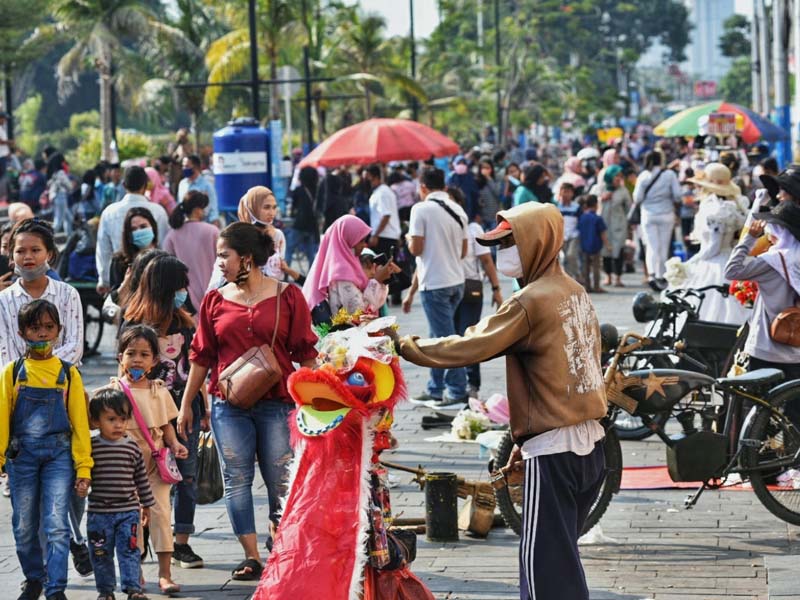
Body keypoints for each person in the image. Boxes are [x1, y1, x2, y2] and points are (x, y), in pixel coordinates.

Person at [397, 201, 607, 600]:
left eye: (509, 242)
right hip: (589, 448)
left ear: (537, 242)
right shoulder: (575, 291)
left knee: (542, 568)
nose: (502, 251)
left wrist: (404, 346)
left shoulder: (531, 300)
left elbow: (471, 345)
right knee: (560, 560)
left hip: (556, 452)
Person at [177, 223, 317, 581]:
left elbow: (305, 352)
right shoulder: (214, 300)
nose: (219, 261)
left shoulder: (289, 296)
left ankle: (280, 544)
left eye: (225, 255)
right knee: (236, 478)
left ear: (248, 259)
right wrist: (186, 406)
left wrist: (316, 401)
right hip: (228, 404)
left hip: (278, 402)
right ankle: (251, 556)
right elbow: (201, 356)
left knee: (280, 478)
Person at [0, 299, 92, 600]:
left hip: (58, 457)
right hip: (21, 458)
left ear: (58, 331)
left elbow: (79, 423)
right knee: (25, 525)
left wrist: (83, 467)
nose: (42, 334)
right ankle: (34, 578)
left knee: (56, 524)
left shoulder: (69, 374)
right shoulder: (12, 373)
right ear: (22, 331)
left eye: (48, 328)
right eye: (35, 328)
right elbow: (2, 418)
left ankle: (56, 588)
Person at [123, 255, 205, 570]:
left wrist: (203, 406)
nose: (185, 291)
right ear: (164, 287)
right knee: (143, 476)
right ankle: (144, 531)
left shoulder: (186, 321)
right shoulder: (134, 323)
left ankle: (181, 540)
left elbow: (198, 368)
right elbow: (125, 364)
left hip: (184, 409)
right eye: (180, 285)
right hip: (144, 413)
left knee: (186, 475)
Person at [102, 325, 188, 595]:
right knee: (131, 520)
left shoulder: (159, 390)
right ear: (120, 358)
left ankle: (165, 574)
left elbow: (166, 426)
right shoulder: (113, 391)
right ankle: (134, 573)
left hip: (154, 465)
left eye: (144, 354)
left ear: (154, 361)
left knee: (162, 515)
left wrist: (175, 444)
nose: (137, 359)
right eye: (131, 353)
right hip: (123, 468)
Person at [405, 168, 468, 407]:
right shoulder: (458, 209)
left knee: (445, 340)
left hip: (434, 282)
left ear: (423, 187)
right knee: (439, 336)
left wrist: (408, 240)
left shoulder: (420, 209)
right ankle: (435, 387)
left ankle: (457, 390)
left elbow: (416, 249)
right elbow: (463, 251)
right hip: (456, 281)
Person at [86, 388, 155, 600]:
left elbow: (141, 479)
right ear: (96, 421)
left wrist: (146, 505)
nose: (118, 424)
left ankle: (133, 589)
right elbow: (82, 472)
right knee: (100, 554)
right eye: (111, 419)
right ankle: (106, 592)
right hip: (98, 514)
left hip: (128, 512)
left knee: (130, 552)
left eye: (123, 419)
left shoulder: (132, 447)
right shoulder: (90, 447)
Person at [724, 201, 800, 386]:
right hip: (796, 346)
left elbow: (731, 271)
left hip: (767, 346)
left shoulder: (773, 261)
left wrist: (749, 238)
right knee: (793, 406)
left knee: (760, 405)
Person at [668, 163, 749, 324]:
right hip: (730, 260)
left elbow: (714, 247)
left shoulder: (715, 209)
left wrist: (690, 263)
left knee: (707, 308)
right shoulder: (732, 207)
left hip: (714, 264)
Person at [0, 219, 84, 366]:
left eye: (35, 250)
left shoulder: (67, 294)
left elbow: (74, 347)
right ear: (12, 256)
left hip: (61, 380)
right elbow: (5, 351)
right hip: (18, 383)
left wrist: (41, 368)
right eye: (20, 251)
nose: (28, 257)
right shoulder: (4, 299)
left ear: (49, 254)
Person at [302, 214, 399, 315]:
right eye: (360, 241)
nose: (364, 245)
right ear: (346, 240)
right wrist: (377, 281)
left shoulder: (352, 263)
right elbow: (358, 312)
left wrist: (380, 281)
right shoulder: (341, 272)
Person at [95, 166, 170, 295]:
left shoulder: (109, 212)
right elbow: (164, 246)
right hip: (153, 277)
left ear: (124, 185)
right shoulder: (158, 211)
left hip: (119, 275)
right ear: (146, 185)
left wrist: (104, 280)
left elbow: (104, 249)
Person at [632, 151, 682, 291]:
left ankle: (652, 274)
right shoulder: (670, 175)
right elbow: (678, 196)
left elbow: (637, 198)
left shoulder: (643, 176)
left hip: (648, 215)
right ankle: (661, 275)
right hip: (666, 214)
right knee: (664, 246)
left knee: (652, 246)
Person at [165, 190, 218, 310]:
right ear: (197, 209)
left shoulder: (172, 235)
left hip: (185, 299)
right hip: (213, 295)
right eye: (203, 208)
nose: (205, 211)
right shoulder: (213, 231)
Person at [109, 207, 159, 296]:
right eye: (133, 229)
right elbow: (114, 297)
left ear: (153, 227)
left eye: (143, 226)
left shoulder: (163, 259)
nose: (139, 231)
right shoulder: (119, 261)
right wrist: (126, 283)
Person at [599, 165, 632, 288]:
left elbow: (629, 208)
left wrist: (629, 225)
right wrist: (601, 199)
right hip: (603, 226)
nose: (618, 178)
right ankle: (607, 276)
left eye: (620, 176)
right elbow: (590, 203)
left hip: (619, 226)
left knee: (618, 251)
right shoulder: (600, 188)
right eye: (616, 176)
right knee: (605, 252)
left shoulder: (623, 191)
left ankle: (618, 277)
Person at [286, 166, 321, 268]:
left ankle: (285, 274)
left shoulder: (298, 190)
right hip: (312, 225)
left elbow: (293, 207)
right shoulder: (316, 190)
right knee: (311, 253)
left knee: (289, 249)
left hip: (299, 225)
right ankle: (312, 276)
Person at [363, 164, 401, 258]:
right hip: (385, 236)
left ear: (375, 177)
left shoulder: (382, 193)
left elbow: (386, 215)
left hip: (385, 237)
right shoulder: (380, 191)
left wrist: (375, 235)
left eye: (369, 178)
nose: (367, 181)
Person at [577, 195, 609, 293]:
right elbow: (602, 233)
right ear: (596, 204)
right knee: (596, 267)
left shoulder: (582, 217)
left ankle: (587, 286)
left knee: (585, 267)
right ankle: (596, 286)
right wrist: (608, 245)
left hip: (584, 245)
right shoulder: (597, 218)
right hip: (595, 246)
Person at [177, 154, 218, 225]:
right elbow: (179, 204)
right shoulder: (182, 184)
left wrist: (214, 225)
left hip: (204, 225)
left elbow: (213, 209)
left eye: (186, 166)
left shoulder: (207, 186)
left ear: (195, 167)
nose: (184, 168)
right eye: (183, 166)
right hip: (186, 226)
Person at [557, 182, 582, 282]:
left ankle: (577, 273)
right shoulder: (556, 207)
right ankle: (569, 280)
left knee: (571, 255)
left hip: (573, 235)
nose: (566, 194)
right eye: (564, 192)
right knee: (564, 259)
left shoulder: (576, 207)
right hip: (561, 236)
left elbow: (580, 221)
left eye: (568, 192)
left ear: (572, 193)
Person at [47, 153, 74, 236]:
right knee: (58, 222)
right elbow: (69, 186)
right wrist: (71, 186)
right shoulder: (61, 173)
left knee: (69, 218)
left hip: (55, 197)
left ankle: (70, 237)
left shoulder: (53, 174)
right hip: (61, 197)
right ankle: (47, 237)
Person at [477, 159, 502, 231]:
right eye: (483, 168)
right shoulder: (478, 181)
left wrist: (488, 178)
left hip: (494, 215)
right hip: (482, 216)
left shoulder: (496, 179)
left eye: (487, 168)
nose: (485, 170)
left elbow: (497, 193)